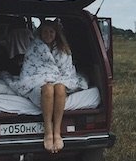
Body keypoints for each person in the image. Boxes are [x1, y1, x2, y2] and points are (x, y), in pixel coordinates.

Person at [11, 19, 87, 154]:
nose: (48, 34)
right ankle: (48, 132)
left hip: (60, 80)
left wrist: (55, 79)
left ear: (56, 33)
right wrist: (47, 80)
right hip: (37, 81)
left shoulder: (63, 49)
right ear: (40, 33)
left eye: (51, 31)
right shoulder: (34, 47)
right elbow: (29, 70)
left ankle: (57, 133)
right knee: (48, 88)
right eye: (45, 31)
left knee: (60, 88)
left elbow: (67, 70)